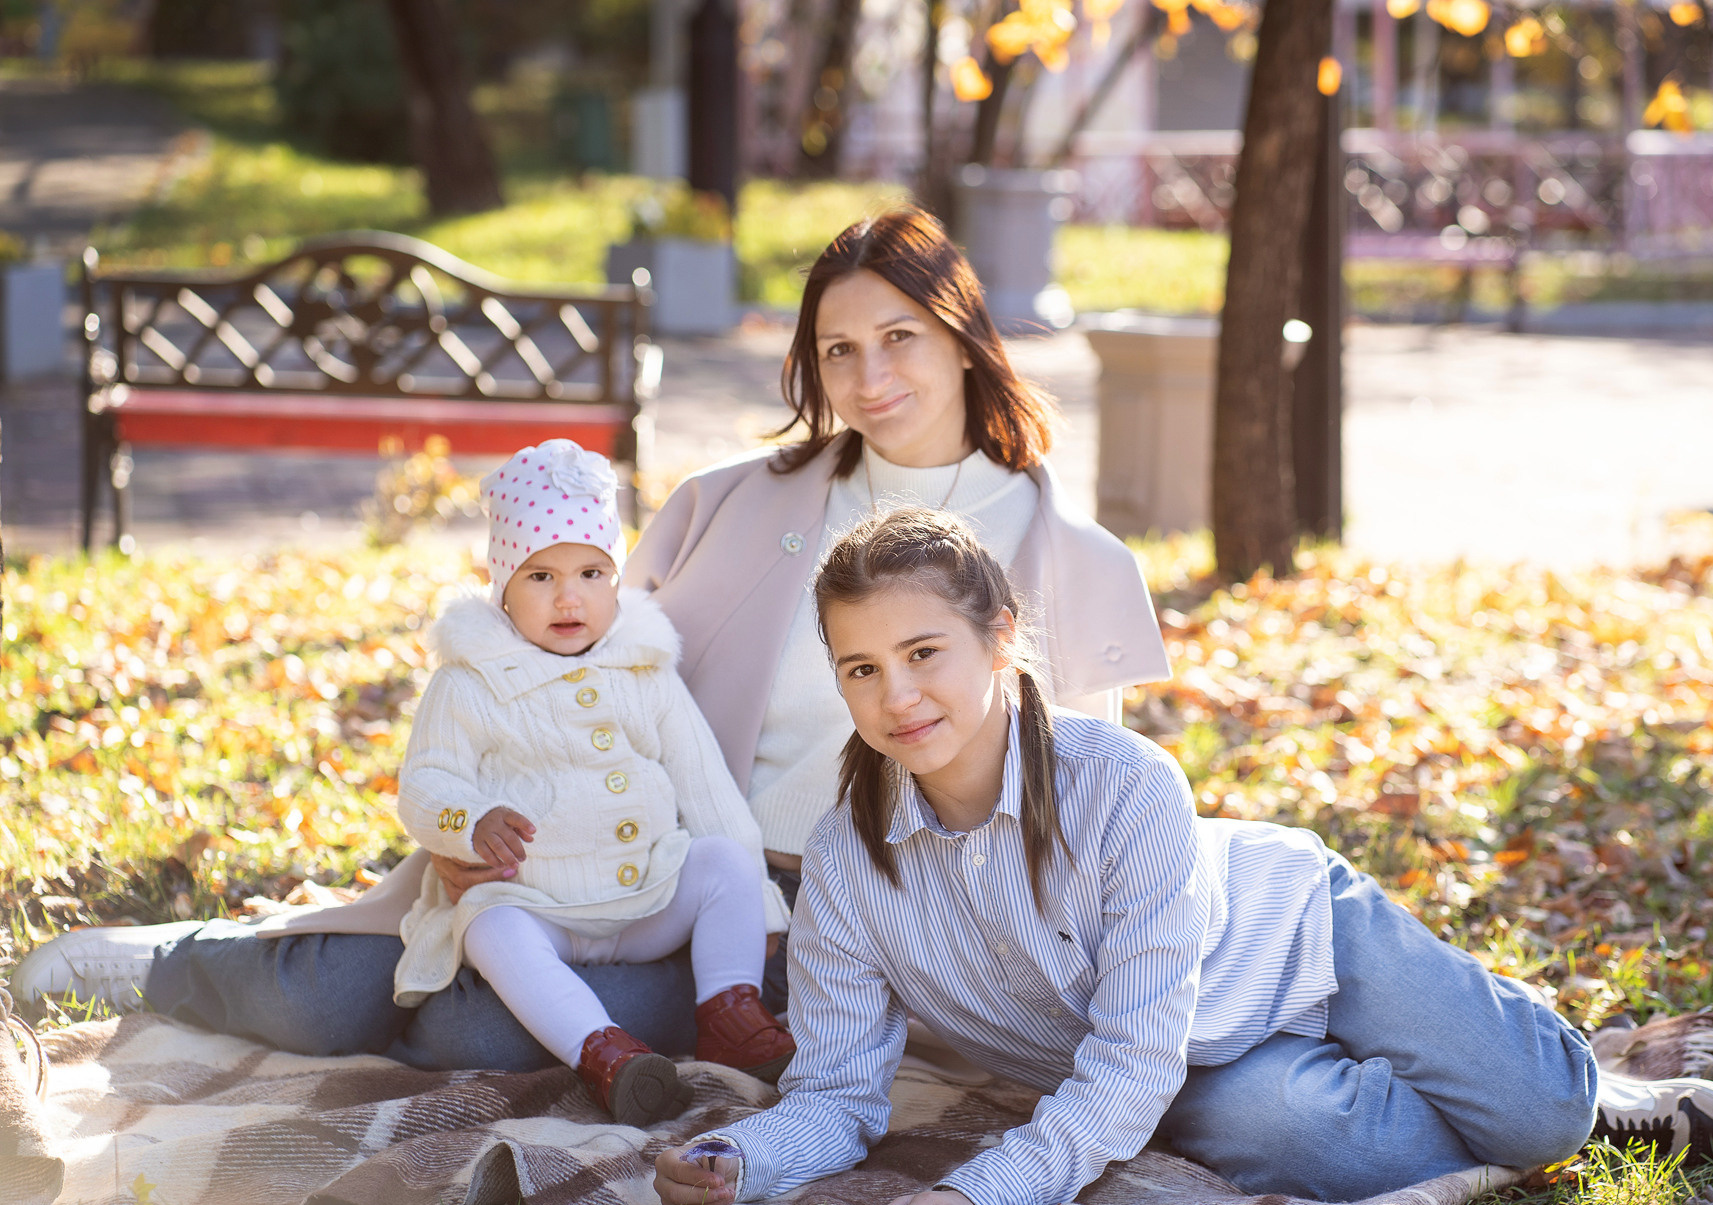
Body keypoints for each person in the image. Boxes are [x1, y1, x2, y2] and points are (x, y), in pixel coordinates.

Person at [9, 206, 1172, 1074]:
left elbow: (1085, 824)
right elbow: (572, 666)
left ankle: (328, 981)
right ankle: (178, 960)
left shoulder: (1065, 560)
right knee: (388, 985)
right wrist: (476, 826)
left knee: (475, 1028)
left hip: (842, 930)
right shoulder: (736, 502)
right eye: (836, 350)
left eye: (900, 337)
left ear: (964, 337)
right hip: (638, 862)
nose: (870, 377)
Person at [653, 509, 1713, 1205]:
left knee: (1538, 1112)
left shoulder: (1123, 784)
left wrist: (982, 1190)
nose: (897, 695)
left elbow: (1119, 1058)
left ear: (998, 638)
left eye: (923, 652)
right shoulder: (850, 856)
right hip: (1171, 1057)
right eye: (861, 667)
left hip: (1296, 939)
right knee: (1328, 1145)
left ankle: (1598, 1101)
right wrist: (733, 1155)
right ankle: (1506, 1111)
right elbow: (841, 1094)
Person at [393, 438, 794, 1125]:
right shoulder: (470, 678)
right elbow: (425, 782)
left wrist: (757, 904)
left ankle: (730, 1010)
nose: (568, 595)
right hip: (539, 901)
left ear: (616, 578)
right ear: (503, 588)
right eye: (539, 576)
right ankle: (606, 1054)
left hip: (649, 893)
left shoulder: (645, 670)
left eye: (590, 571)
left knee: (723, 857)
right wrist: (469, 819)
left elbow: (710, 795)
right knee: (489, 924)